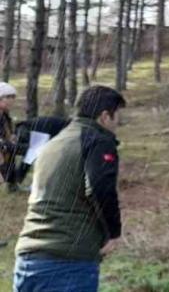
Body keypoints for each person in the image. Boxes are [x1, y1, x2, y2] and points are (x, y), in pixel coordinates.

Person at [13, 86, 126, 292]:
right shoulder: (98, 141)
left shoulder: (56, 141)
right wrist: (114, 233)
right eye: (117, 117)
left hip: (28, 259)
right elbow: (100, 187)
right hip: (67, 263)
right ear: (104, 116)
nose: (118, 124)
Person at [3, 115, 72, 192]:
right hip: (34, 130)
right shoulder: (70, 127)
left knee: (30, 155)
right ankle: (6, 146)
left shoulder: (67, 124)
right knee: (29, 153)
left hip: (32, 128)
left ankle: (17, 180)